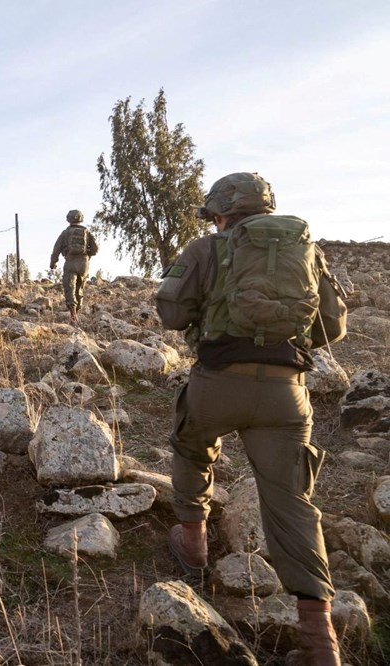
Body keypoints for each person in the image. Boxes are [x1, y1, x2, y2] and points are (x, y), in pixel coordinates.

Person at [155, 172, 341, 666]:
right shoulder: (307, 249)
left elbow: (171, 313)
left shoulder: (205, 248)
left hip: (217, 380)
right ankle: (320, 642)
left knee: (191, 444)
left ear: (221, 212)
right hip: (286, 394)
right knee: (293, 502)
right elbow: (334, 325)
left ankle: (193, 543)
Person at [49, 209, 98, 323]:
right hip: (83, 263)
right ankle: (77, 312)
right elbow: (96, 248)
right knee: (79, 288)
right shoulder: (87, 232)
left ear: (68, 219)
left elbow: (56, 249)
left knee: (69, 288)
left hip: (70, 261)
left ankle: (73, 314)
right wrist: (87, 255)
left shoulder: (65, 233)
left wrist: (53, 263)